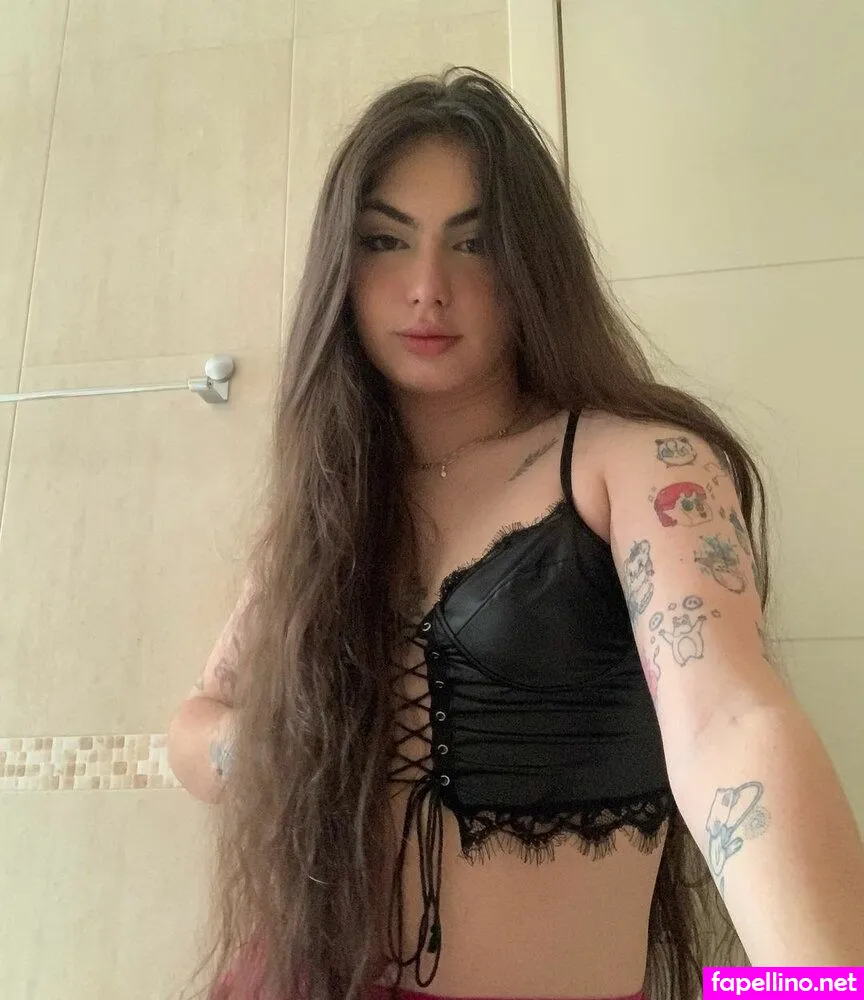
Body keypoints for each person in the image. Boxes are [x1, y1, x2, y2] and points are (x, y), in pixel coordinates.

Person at [167, 67, 864, 1000]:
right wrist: (308, 753)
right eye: (385, 241)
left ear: (533, 262)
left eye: (476, 243)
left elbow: (732, 724)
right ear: (341, 267)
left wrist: (821, 986)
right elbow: (199, 720)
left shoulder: (639, 465)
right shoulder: (330, 507)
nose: (427, 289)